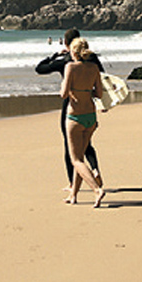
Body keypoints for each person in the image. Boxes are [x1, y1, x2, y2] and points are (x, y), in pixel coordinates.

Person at [35, 28, 104, 190]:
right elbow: (103, 79)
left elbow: (40, 68)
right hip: (89, 105)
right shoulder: (93, 61)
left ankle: (72, 184)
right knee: (87, 144)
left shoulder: (66, 62)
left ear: (66, 44)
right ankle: (94, 169)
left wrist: (55, 55)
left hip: (71, 107)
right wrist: (104, 103)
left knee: (70, 146)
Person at [60, 37, 106, 207]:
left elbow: (64, 94)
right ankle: (73, 195)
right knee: (80, 158)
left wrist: (68, 87)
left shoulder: (70, 67)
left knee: (76, 160)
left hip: (75, 116)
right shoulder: (94, 68)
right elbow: (99, 94)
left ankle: (97, 190)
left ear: (73, 51)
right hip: (91, 117)